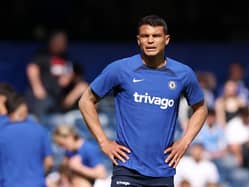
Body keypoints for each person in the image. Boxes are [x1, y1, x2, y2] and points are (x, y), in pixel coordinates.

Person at [79, 15, 208, 187]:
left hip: (163, 171)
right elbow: (85, 100)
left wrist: (185, 142)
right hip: (126, 168)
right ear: (138, 40)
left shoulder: (183, 74)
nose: (150, 41)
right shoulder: (120, 69)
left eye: (156, 36)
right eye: (145, 36)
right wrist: (104, 141)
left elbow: (201, 109)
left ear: (166, 40)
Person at [0, 94, 53, 187]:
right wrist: (38, 176)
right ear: (24, 109)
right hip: (37, 184)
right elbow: (49, 162)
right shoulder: (39, 130)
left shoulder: (2, 132)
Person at [26, 30, 73, 119]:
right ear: (52, 41)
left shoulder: (65, 57)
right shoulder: (43, 54)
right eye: (59, 41)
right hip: (42, 96)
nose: (62, 44)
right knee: (39, 119)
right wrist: (37, 87)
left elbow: (67, 75)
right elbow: (32, 68)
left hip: (56, 96)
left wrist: (68, 77)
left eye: (64, 41)